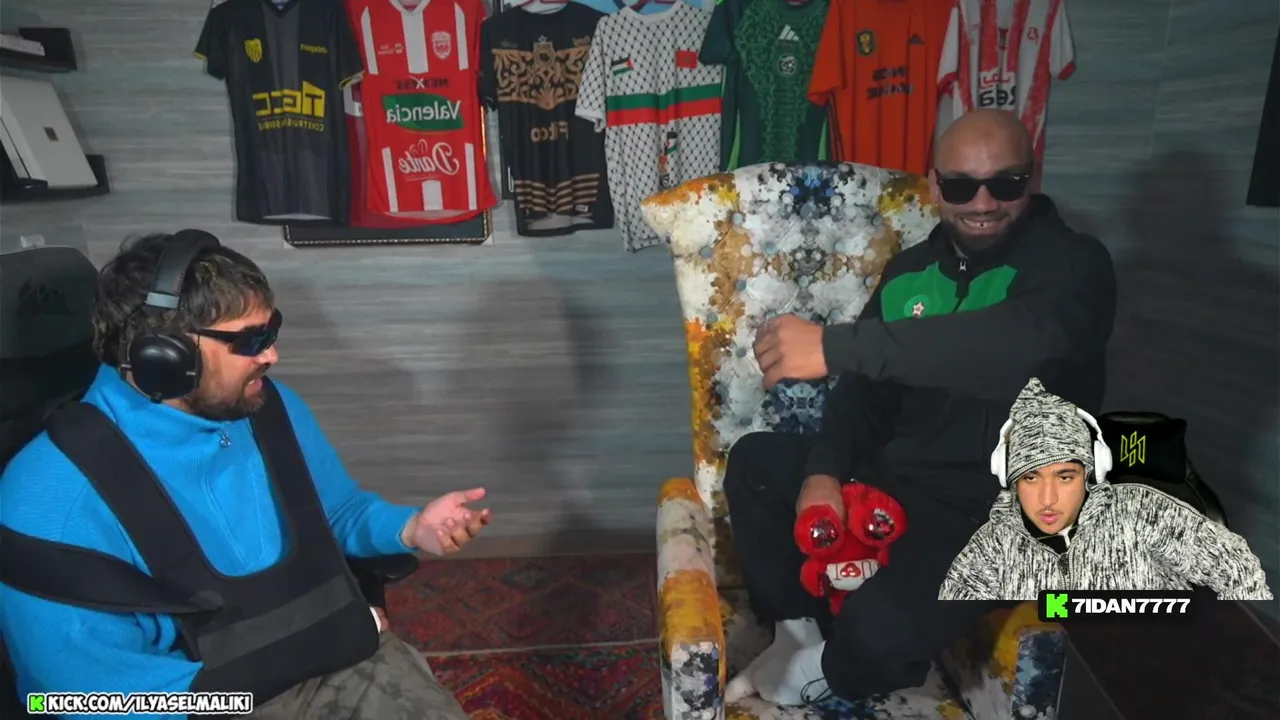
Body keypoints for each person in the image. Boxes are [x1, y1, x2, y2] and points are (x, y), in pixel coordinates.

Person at [0, 231, 488, 720]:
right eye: (249, 341)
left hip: (334, 654)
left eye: (270, 331)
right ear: (163, 356)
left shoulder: (269, 409)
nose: (271, 355)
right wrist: (322, 645)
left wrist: (410, 527)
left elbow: (334, 511)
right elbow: (85, 700)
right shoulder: (50, 501)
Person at [724, 109, 1118, 706]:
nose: (982, 202)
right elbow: (864, 395)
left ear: (1033, 179)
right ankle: (796, 633)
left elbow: (1018, 346)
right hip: (903, 481)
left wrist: (833, 345)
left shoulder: (1075, 266)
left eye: (1005, 183)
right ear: (934, 185)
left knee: (880, 630)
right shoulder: (910, 271)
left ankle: (833, 668)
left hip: (1000, 512)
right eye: (960, 186)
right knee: (757, 462)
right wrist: (823, 473)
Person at [939, 378, 1274, 601]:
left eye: (1065, 477)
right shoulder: (993, 544)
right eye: (1030, 478)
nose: (1047, 499)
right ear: (1008, 478)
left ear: (1092, 472)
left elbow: (1238, 569)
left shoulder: (1142, 512)